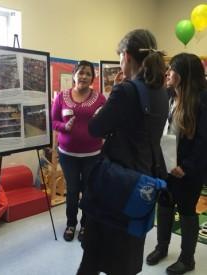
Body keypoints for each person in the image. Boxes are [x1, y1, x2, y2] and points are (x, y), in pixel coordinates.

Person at [76, 29, 169, 275]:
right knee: (127, 256)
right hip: (143, 182)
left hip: (115, 183)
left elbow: (96, 128)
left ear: (126, 56)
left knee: (93, 256)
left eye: (119, 57)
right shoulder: (161, 91)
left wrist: (108, 102)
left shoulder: (125, 91)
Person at [146, 53, 207, 275]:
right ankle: (161, 248)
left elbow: (203, 140)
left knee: (187, 210)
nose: (167, 73)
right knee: (163, 205)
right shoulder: (169, 94)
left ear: (183, 74)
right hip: (166, 164)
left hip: (187, 170)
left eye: (172, 69)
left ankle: (187, 259)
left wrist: (187, 167)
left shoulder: (202, 99)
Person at [52, 60, 106, 242]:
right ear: (74, 74)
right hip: (68, 154)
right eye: (81, 72)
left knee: (89, 191)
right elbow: (53, 122)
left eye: (88, 74)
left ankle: (86, 225)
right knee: (73, 190)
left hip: (92, 154)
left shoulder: (100, 99)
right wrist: (64, 126)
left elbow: (105, 123)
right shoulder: (61, 97)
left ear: (93, 78)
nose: (84, 76)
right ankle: (71, 224)